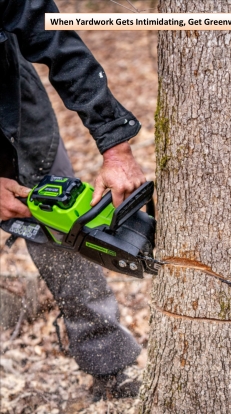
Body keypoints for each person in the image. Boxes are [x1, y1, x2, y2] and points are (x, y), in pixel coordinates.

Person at [0, 0, 145, 401]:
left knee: (63, 230)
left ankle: (109, 365)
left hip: (10, 100)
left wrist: (115, 141)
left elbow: (53, 35)